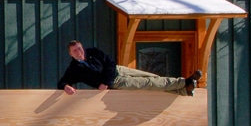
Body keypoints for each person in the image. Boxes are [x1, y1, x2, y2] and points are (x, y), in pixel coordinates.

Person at [57, 40, 202, 96]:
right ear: (70, 54)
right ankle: (184, 82)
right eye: (75, 50)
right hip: (116, 82)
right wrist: (66, 87)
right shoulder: (74, 69)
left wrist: (104, 82)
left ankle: (183, 91)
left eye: (79, 48)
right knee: (148, 84)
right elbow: (62, 82)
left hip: (117, 71)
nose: (79, 51)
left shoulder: (93, 52)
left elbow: (109, 62)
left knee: (151, 78)